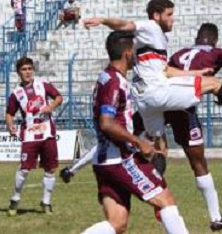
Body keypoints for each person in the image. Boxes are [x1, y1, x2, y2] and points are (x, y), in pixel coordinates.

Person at [82, 0, 222, 151]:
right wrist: (103, 20)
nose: (173, 19)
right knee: (214, 84)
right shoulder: (151, 27)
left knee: (159, 146)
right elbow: (126, 25)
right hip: (159, 92)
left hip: (144, 99)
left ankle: (156, 194)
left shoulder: (148, 43)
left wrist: (194, 72)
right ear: (156, 16)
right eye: (169, 14)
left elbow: (165, 70)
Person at [80, 31, 189, 234]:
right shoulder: (115, 82)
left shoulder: (105, 77)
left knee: (117, 223)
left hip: (103, 162)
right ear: (128, 53)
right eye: (136, 51)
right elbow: (107, 122)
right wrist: (138, 143)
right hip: (120, 159)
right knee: (166, 201)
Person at [5, 57, 63, 216]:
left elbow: (59, 97)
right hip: (30, 134)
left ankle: (46, 202)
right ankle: (15, 198)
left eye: (30, 68)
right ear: (18, 73)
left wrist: (51, 106)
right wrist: (10, 125)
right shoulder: (16, 93)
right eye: (24, 69)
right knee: (24, 169)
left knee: (50, 168)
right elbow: (9, 113)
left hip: (47, 132)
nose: (27, 72)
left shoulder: (43, 84)